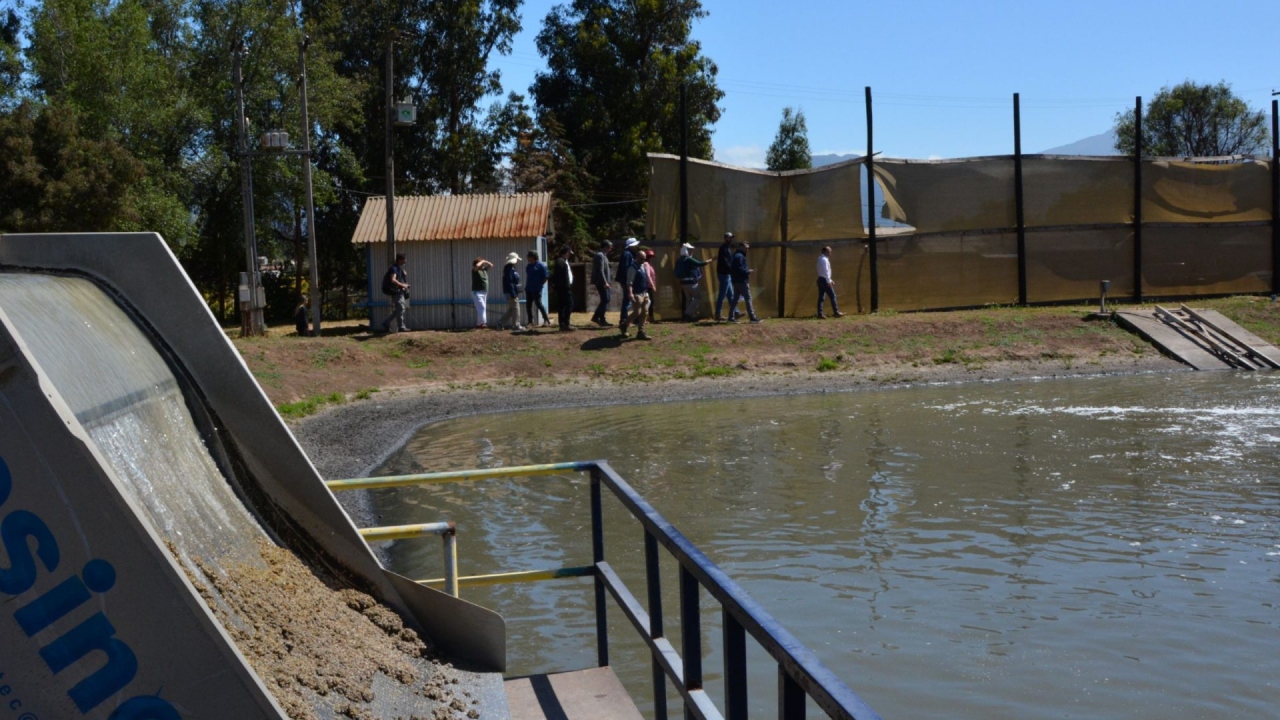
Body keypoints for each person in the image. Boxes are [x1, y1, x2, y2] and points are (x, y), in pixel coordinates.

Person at [620, 246, 652, 340]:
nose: (643, 260)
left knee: (645, 312)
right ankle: (624, 325)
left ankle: (641, 331)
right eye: (641, 259)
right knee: (637, 312)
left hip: (644, 292)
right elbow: (629, 282)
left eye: (644, 259)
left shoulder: (642, 266)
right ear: (637, 257)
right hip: (637, 293)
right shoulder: (632, 268)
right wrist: (630, 293)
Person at [674, 243, 710, 321]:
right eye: (689, 250)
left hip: (683, 282)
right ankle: (687, 314)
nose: (691, 252)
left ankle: (688, 317)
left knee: (689, 299)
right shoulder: (688, 259)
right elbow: (700, 264)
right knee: (698, 297)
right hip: (691, 282)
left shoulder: (679, 260)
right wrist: (709, 260)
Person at [729, 241, 762, 324]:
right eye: (745, 248)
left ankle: (731, 317)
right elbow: (741, 269)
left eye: (748, 248)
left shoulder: (735, 255)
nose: (747, 250)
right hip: (741, 281)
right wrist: (748, 271)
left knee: (735, 299)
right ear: (740, 247)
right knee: (748, 298)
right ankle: (752, 317)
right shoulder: (740, 256)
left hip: (735, 280)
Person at [380, 252, 410, 333]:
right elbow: (393, 280)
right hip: (396, 291)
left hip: (398, 291)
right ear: (400, 260)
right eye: (404, 259)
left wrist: (404, 280)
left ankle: (387, 323)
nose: (405, 261)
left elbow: (399, 279)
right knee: (400, 308)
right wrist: (403, 285)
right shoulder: (394, 268)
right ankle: (401, 327)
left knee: (400, 309)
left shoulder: (399, 269)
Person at [816, 245, 844, 319]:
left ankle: (820, 314)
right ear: (824, 251)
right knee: (832, 296)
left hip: (820, 279)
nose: (830, 253)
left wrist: (830, 280)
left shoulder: (820, 258)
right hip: (825, 280)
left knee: (821, 297)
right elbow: (826, 271)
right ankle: (836, 312)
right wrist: (828, 281)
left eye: (830, 251)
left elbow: (822, 271)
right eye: (828, 251)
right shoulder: (824, 259)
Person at [590, 239, 613, 326]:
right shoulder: (600, 255)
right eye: (609, 247)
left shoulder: (603, 255)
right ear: (606, 247)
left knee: (606, 299)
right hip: (601, 282)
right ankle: (598, 318)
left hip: (604, 281)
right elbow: (600, 270)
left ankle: (599, 317)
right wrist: (605, 282)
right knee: (606, 299)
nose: (610, 249)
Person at [552, 245, 575, 331]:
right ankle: (565, 323)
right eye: (569, 253)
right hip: (564, 287)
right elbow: (560, 276)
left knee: (562, 306)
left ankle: (563, 325)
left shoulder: (564, 261)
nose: (570, 255)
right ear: (566, 252)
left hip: (564, 287)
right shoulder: (560, 262)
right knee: (569, 304)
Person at [714, 232, 736, 322]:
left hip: (727, 274)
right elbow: (725, 262)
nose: (730, 239)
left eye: (731, 238)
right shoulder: (723, 248)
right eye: (729, 238)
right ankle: (718, 314)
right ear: (725, 238)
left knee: (731, 295)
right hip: (724, 274)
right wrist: (732, 270)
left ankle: (735, 312)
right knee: (722, 295)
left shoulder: (727, 248)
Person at [617, 237, 639, 326]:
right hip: (626, 280)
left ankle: (625, 319)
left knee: (628, 300)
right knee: (627, 300)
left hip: (626, 280)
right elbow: (626, 268)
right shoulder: (627, 254)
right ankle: (624, 320)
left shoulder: (629, 254)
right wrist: (629, 281)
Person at [501, 252, 525, 331]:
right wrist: (513, 293)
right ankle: (516, 326)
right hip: (511, 292)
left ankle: (500, 323)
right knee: (516, 309)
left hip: (510, 291)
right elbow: (510, 282)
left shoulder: (509, 268)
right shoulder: (509, 269)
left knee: (512, 310)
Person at [471, 257, 493, 329]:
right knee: (481, 307)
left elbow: (491, 265)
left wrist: (485, 262)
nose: (482, 265)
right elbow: (476, 266)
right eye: (481, 264)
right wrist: (482, 261)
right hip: (477, 292)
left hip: (484, 291)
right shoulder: (475, 271)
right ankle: (482, 323)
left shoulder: (484, 270)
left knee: (483, 307)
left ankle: (479, 323)